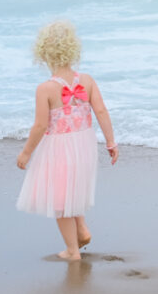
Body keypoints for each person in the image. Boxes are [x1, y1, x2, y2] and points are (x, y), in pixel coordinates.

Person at [16, 20, 118, 260]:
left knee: (61, 198)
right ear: (73, 50)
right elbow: (101, 111)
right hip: (84, 144)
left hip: (60, 147)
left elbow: (40, 126)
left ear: (43, 54)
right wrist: (111, 143)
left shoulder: (45, 89)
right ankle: (81, 229)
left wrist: (26, 153)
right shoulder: (88, 80)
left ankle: (72, 251)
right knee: (74, 189)